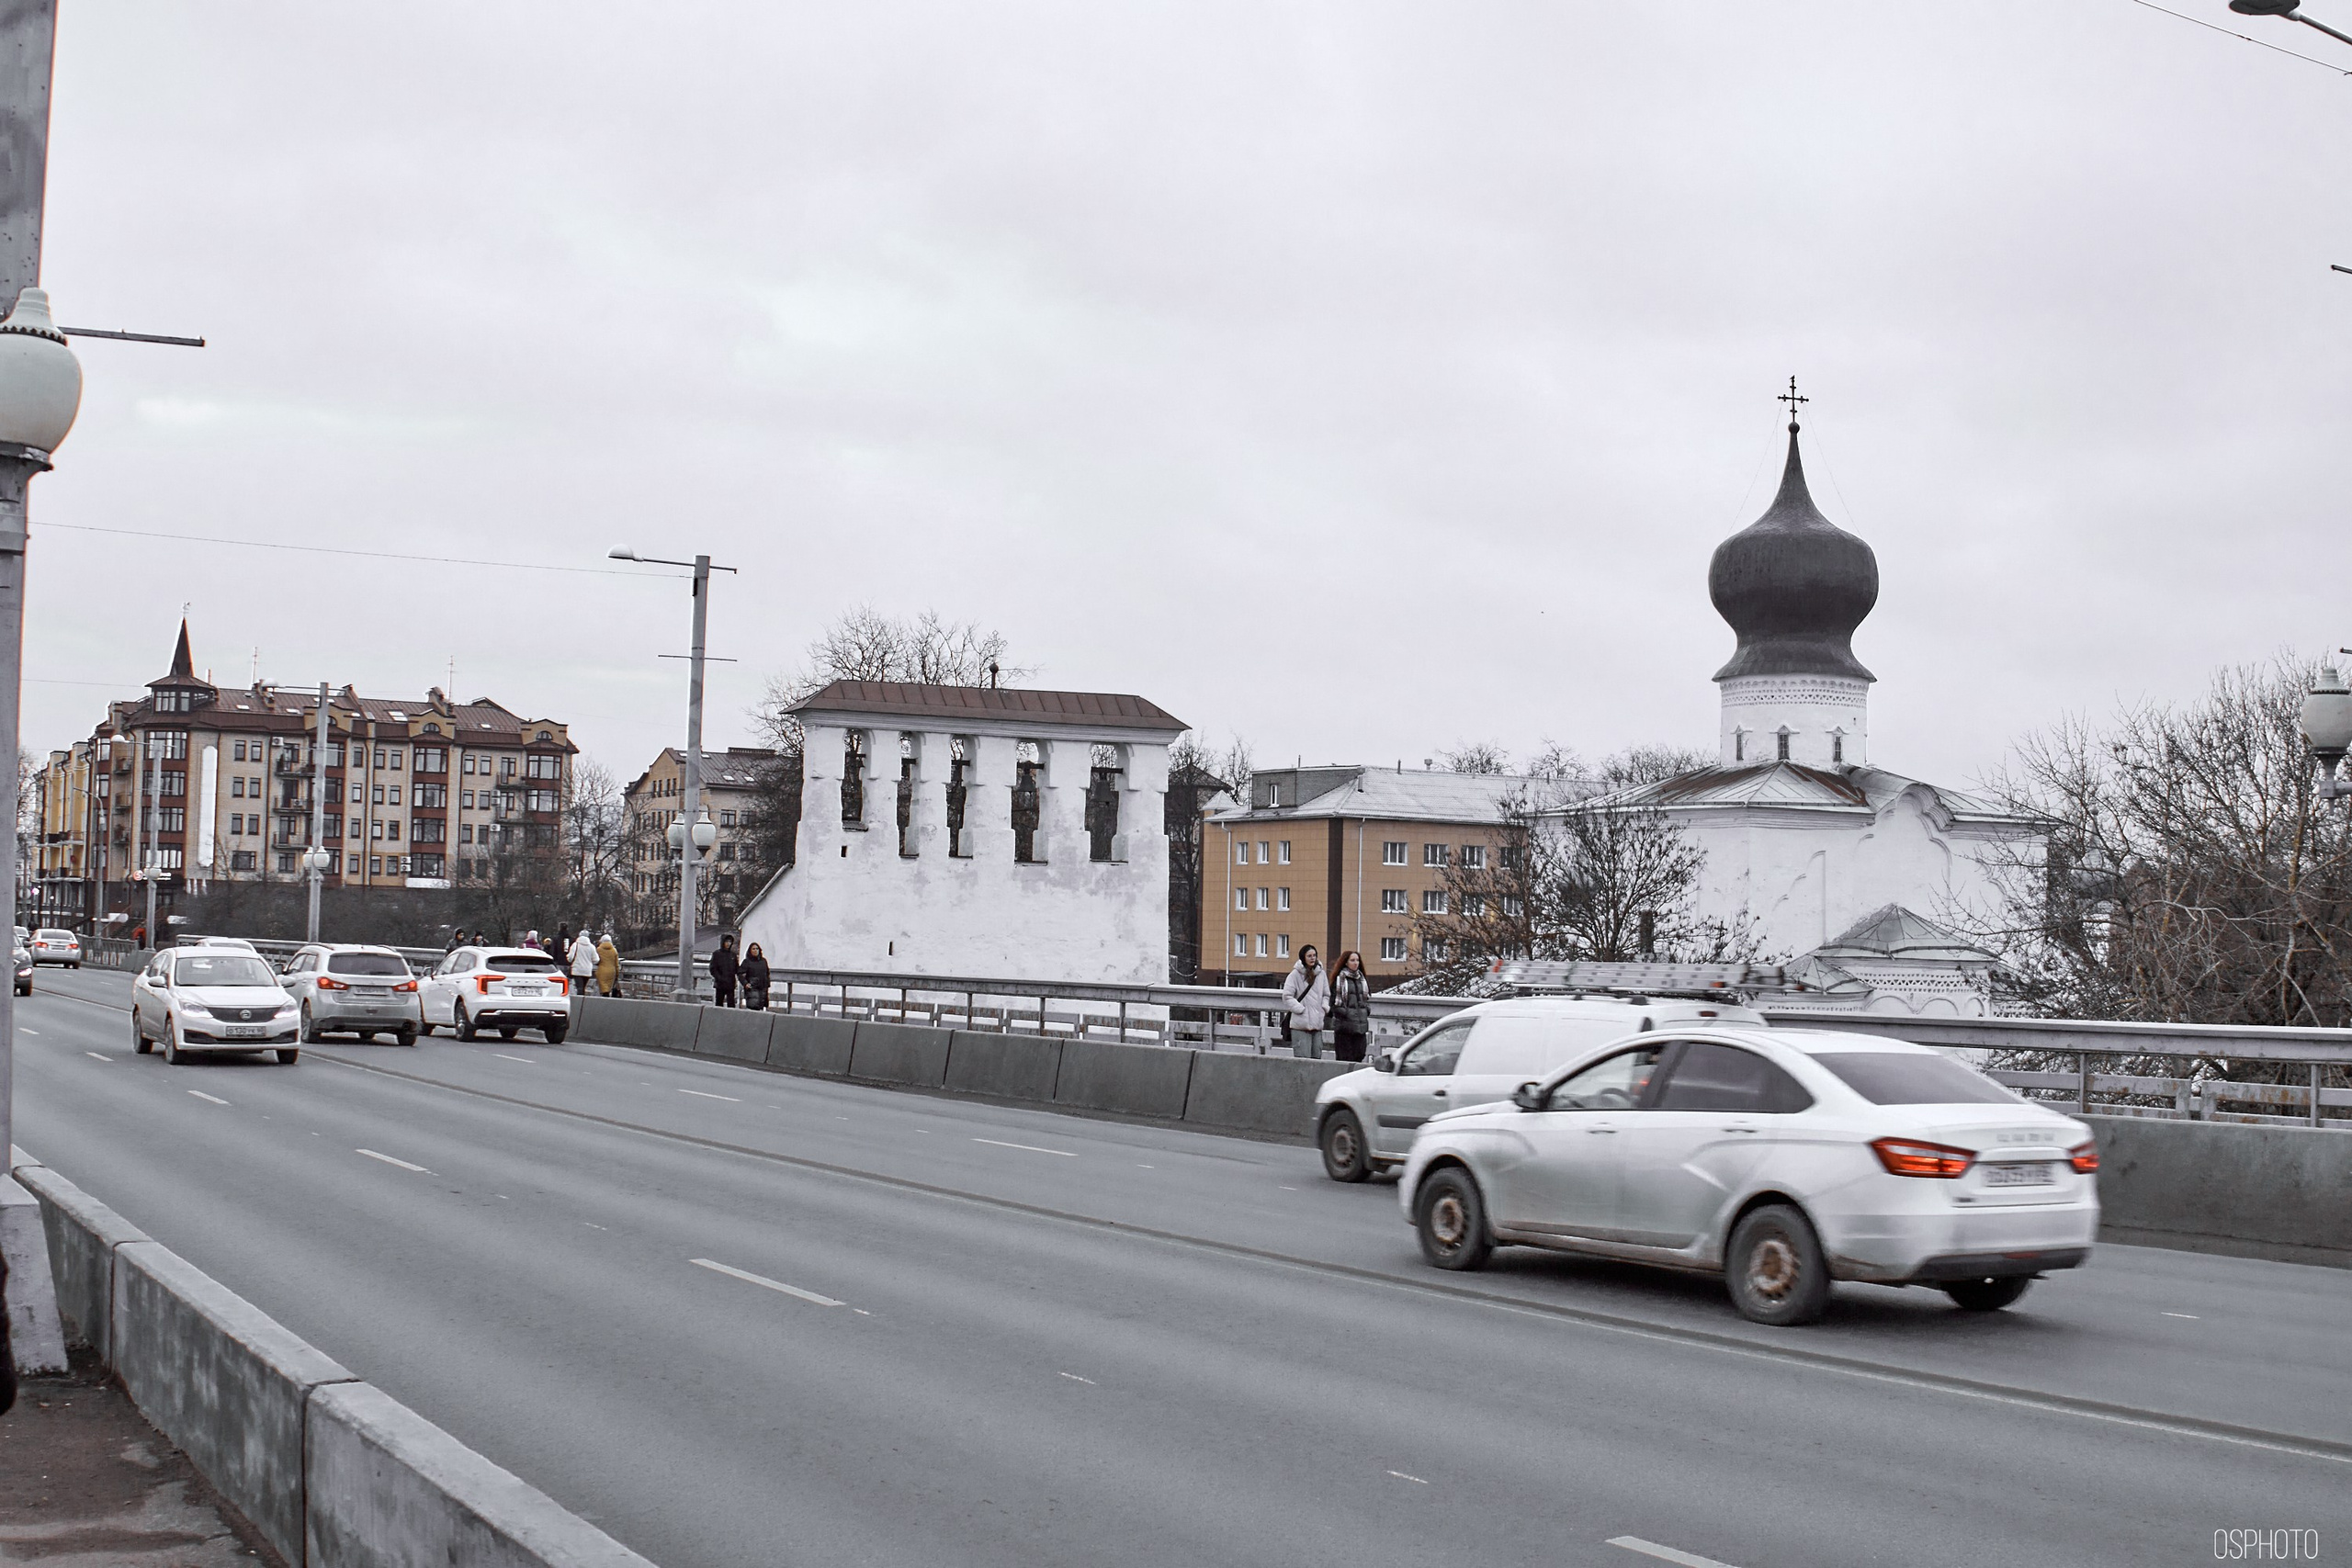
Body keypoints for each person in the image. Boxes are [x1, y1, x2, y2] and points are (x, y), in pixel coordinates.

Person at [1281, 943, 1329, 1059]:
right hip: (1300, 1025)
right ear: (1303, 958)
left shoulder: (1321, 974)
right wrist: (1301, 1010)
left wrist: (1324, 1007)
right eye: (1309, 956)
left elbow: (1326, 994)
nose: (1312, 958)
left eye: (1314, 955)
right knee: (1303, 1061)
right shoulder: (1295, 975)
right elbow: (1287, 996)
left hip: (1317, 1025)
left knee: (1317, 1059)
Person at [1329, 949, 1373, 1063]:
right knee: (1345, 1059)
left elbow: (1365, 1000)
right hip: (1345, 1029)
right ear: (1346, 962)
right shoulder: (1340, 979)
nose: (1356, 963)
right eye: (1352, 960)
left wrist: (1366, 1010)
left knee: (1360, 1055)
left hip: (1360, 1028)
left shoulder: (1362, 979)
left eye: (1357, 960)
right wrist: (1347, 1014)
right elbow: (1334, 1004)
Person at [709, 933, 740, 1009]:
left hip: (730, 983)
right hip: (720, 984)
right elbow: (713, 968)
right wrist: (719, 978)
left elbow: (736, 968)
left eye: (730, 942)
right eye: (726, 942)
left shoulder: (733, 955)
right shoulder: (717, 954)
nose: (728, 944)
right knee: (719, 1003)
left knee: (731, 1004)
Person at [739, 942, 771, 1011]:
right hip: (752, 988)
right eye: (753, 949)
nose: (755, 950)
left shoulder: (763, 961)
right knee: (753, 1008)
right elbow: (740, 974)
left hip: (763, 988)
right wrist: (745, 983)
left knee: (761, 1007)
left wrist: (767, 983)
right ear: (750, 951)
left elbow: (767, 973)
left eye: (757, 949)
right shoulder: (747, 962)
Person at [569, 928, 599, 996]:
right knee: (583, 987)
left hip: (577, 969)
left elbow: (570, 957)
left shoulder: (575, 945)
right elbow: (596, 960)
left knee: (579, 987)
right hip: (587, 970)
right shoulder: (591, 947)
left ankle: (579, 1001)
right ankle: (583, 999)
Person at [594, 932, 621, 997]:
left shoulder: (599, 949)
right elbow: (616, 964)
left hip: (602, 971)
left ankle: (604, 998)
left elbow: (595, 960)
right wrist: (617, 974)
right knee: (608, 988)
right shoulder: (614, 950)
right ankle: (607, 997)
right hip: (612, 971)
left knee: (603, 988)